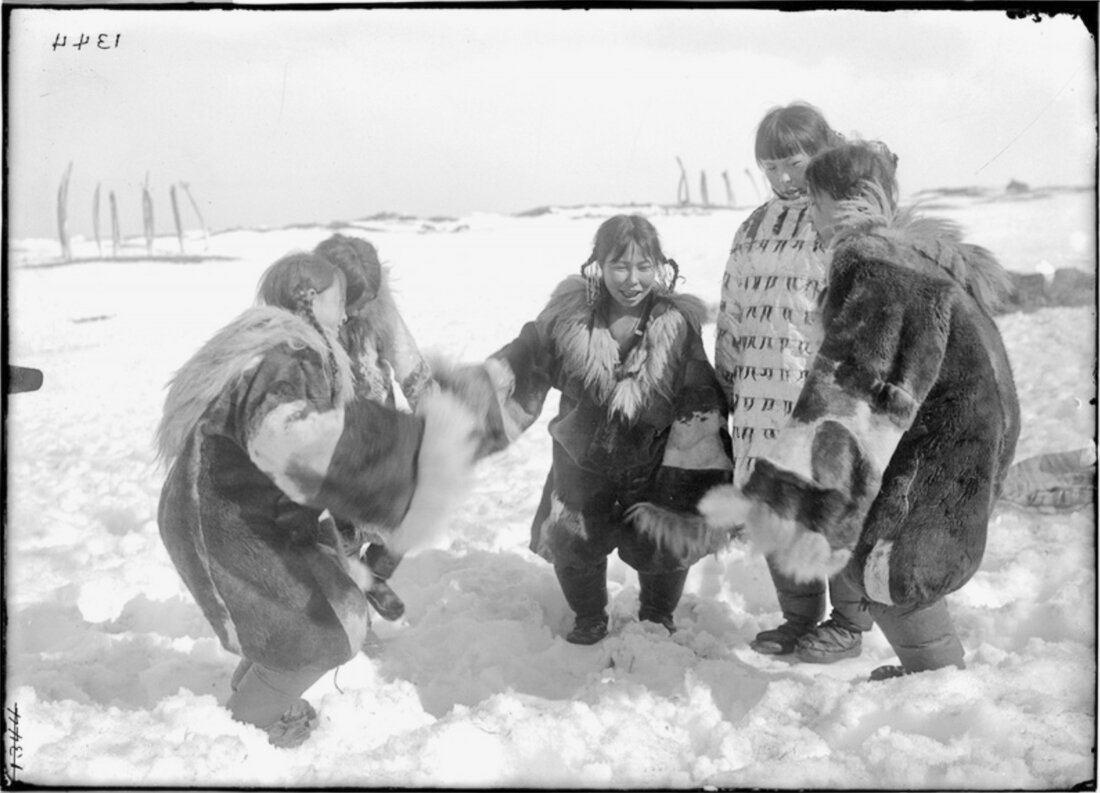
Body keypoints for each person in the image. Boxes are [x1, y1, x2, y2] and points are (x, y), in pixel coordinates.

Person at [700, 141, 1021, 679]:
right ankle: (934, 674)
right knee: (897, 564)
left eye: (818, 206)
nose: (814, 221)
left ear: (847, 202)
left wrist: (786, 494)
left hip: (942, 448)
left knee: (896, 565)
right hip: (962, 436)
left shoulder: (875, 265)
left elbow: (857, 389)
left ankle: (939, 681)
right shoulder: (904, 254)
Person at [155, 252, 480, 745]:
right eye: (337, 302)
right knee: (318, 632)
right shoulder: (290, 356)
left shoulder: (279, 345)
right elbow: (284, 437)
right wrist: (377, 454)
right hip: (223, 522)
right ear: (308, 299)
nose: (346, 315)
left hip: (232, 512)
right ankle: (248, 728)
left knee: (298, 613)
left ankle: (262, 695)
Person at [438, 215, 733, 645]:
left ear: (660, 267)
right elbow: (525, 361)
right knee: (573, 540)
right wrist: (473, 393)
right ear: (598, 264)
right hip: (581, 460)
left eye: (644, 267)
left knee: (664, 540)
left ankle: (657, 613)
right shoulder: (568, 319)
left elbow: (698, 391)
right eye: (620, 266)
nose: (632, 280)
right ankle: (589, 615)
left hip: (652, 459)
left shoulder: (676, 323)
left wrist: (702, 462)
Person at [714, 102, 873, 663]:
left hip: (824, 394)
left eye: (794, 163)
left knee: (834, 507)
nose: (783, 177)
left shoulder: (843, 220)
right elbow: (732, 307)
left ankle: (849, 623)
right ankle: (797, 618)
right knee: (777, 508)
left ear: (823, 152)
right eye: (771, 167)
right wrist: (725, 380)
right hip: (760, 399)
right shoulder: (752, 226)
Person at [313, 234, 434, 623]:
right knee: (339, 532)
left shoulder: (381, 313)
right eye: (352, 305)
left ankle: (376, 574)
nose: (358, 313)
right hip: (330, 445)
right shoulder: (308, 325)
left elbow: (409, 365)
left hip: (380, 435)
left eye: (368, 304)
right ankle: (355, 612)